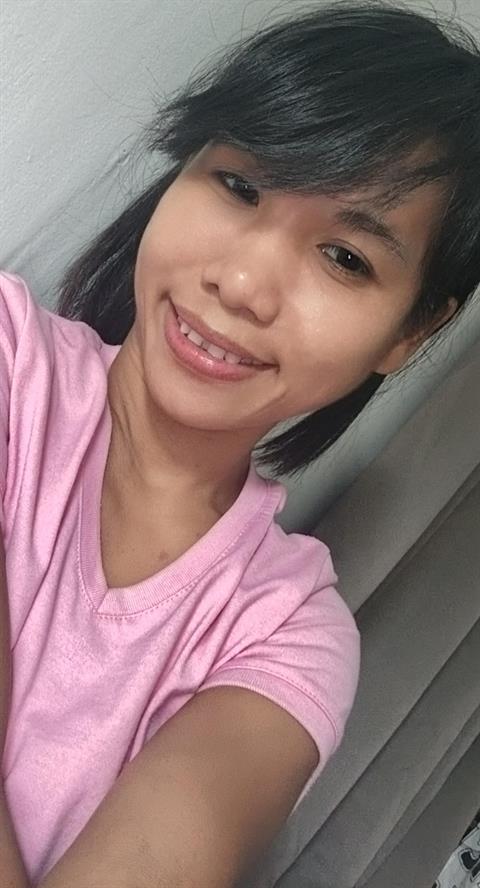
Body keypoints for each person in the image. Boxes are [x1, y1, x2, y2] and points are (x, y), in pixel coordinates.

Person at [1, 2, 479, 886]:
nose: (244, 282)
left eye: (345, 258)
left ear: (410, 333)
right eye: (240, 186)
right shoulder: (7, 359)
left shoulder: (287, 641)